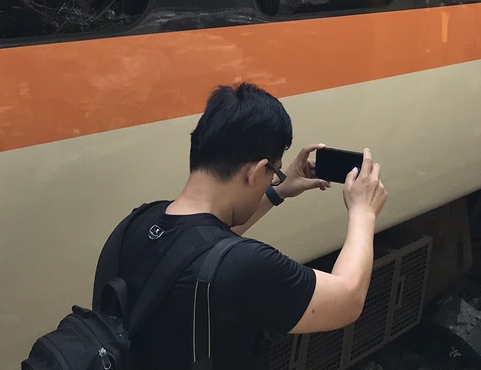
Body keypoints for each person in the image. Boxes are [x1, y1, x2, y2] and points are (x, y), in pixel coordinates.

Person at [108, 82, 388, 369]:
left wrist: (278, 191)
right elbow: (348, 298)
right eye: (273, 173)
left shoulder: (135, 225)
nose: (273, 181)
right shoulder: (248, 266)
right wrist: (363, 212)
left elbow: (200, 246)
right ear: (254, 172)